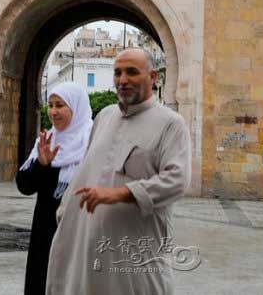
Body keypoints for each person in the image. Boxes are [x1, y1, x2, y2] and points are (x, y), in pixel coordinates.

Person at [46, 48, 191, 294]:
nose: (123, 80)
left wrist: (123, 193)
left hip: (134, 251)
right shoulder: (105, 116)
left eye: (132, 72)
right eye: (118, 73)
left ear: (153, 77)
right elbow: (87, 168)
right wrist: (65, 213)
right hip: (87, 244)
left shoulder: (170, 124)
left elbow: (177, 180)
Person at [16, 82, 93, 295]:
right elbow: (24, 186)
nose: (53, 111)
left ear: (75, 108)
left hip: (79, 232)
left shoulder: (92, 143)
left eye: (60, 105)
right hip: (45, 234)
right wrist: (42, 164)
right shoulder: (47, 141)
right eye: (50, 105)